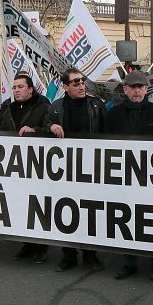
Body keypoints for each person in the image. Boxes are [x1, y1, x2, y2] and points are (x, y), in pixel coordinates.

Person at [107, 70, 153, 281]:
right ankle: (129, 262)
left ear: (146, 89)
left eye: (140, 87)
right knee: (127, 218)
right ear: (125, 89)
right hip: (123, 176)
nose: (137, 91)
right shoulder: (114, 114)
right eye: (133, 87)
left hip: (152, 178)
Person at [45, 68, 107, 272]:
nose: (81, 86)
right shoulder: (56, 107)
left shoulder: (96, 105)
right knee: (66, 211)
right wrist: (51, 126)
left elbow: (108, 133)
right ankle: (68, 255)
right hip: (65, 170)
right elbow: (43, 126)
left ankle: (90, 255)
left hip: (92, 168)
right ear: (65, 86)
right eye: (75, 83)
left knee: (90, 212)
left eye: (82, 81)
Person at [0, 73, 51, 263]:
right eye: (14, 87)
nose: (16, 90)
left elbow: (50, 129)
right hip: (14, 166)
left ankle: (41, 247)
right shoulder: (7, 107)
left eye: (20, 87)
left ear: (30, 89)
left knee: (38, 207)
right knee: (21, 206)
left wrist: (35, 131)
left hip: (37, 165)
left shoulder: (44, 106)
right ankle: (27, 244)